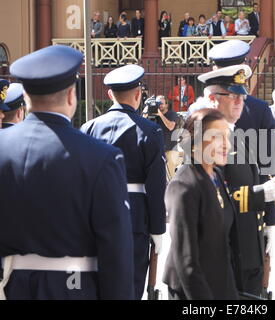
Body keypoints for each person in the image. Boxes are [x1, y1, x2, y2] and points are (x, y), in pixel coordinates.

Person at [0, 45, 134, 300]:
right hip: (74, 287)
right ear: (72, 95)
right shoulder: (101, 157)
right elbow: (115, 251)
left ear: (26, 98)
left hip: (12, 286)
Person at [197, 64, 275, 297]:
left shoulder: (237, 135)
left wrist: (268, 223)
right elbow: (209, 200)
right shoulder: (204, 140)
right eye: (232, 95)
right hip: (227, 251)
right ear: (212, 99)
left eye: (242, 96)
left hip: (248, 247)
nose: (240, 101)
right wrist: (261, 194)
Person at [80, 65, 166, 300]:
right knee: (130, 284)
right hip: (135, 218)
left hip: (96, 216)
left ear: (110, 95)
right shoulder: (150, 131)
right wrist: (158, 229)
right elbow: (157, 185)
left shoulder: (89, 128)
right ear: (138, 95)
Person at [163, 108, 244, 300]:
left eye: (227, 136)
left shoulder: (215, 175)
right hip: (192, 291)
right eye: (217, 136)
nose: (226, 144)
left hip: (218, 284)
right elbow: (186, 261)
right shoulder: (183, 185)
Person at [144, 95, 182, 179]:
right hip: (158, 150)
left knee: (170, 176)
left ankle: (171, 191)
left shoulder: (172, 114)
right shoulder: (153, 115)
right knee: (158, 176)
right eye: (157, 103)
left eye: (161, 103)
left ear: (167, 105)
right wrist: (145, 114)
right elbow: (143, 126)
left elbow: (170, 126)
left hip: (170, 150)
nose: (159, 105)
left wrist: (160, 114)